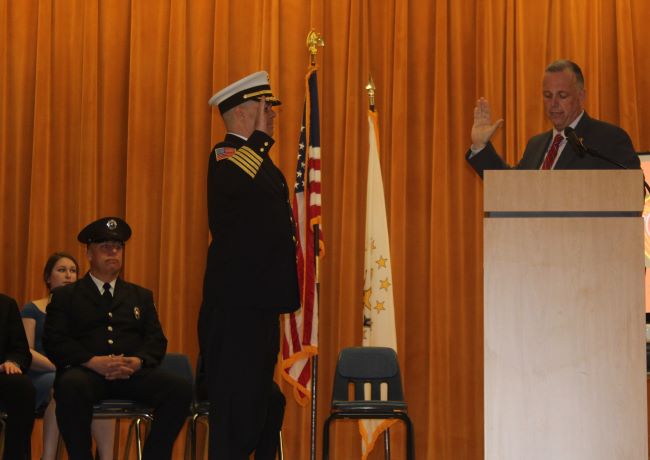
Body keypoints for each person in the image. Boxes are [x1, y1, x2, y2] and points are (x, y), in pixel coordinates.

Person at [198, 71, 300, 459]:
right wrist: (258, 139)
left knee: (263, 405)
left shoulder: (261, 163)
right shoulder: (225, 156)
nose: (273, 115)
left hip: (259, 305)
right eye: (266, 107)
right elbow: (234, 185)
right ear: (244, 112)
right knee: (237, 411)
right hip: (235, 308)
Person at [43, 217, 192, 460]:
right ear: (89, 253)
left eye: (118, 247)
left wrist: (137, 361)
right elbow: (55, 340)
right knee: (69, 386)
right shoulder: (67, 296)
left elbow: (156, 340)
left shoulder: (140, 295)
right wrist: (91, 361)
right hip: (87, 373)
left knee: (179, 389)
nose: (113, 252)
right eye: (105, 246)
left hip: (130, 374)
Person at [466, 59, 640, 177]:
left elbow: (632, 195)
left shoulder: (609, 139)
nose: (553, 103)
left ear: (581, 96)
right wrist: (480, 146)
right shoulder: (536, 145)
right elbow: (511, 188)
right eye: (548, 95)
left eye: (562, 95)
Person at [21, 252, 114, 460]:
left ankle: (107, 457)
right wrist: (59, 366)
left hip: (76, 372)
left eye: (73, 271)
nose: (68, 275)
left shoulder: (83, 310)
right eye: (61, 270)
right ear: (48, 277)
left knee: (98, 386)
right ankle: (48, 456)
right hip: (41, 374)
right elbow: (25, 352)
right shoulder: (33, 308)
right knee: (62, 384)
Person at [0, 293, 35, 460]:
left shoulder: (6, 304)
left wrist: (12, 361)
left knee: (23, 387)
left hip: (1, 372)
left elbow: (20, 349)